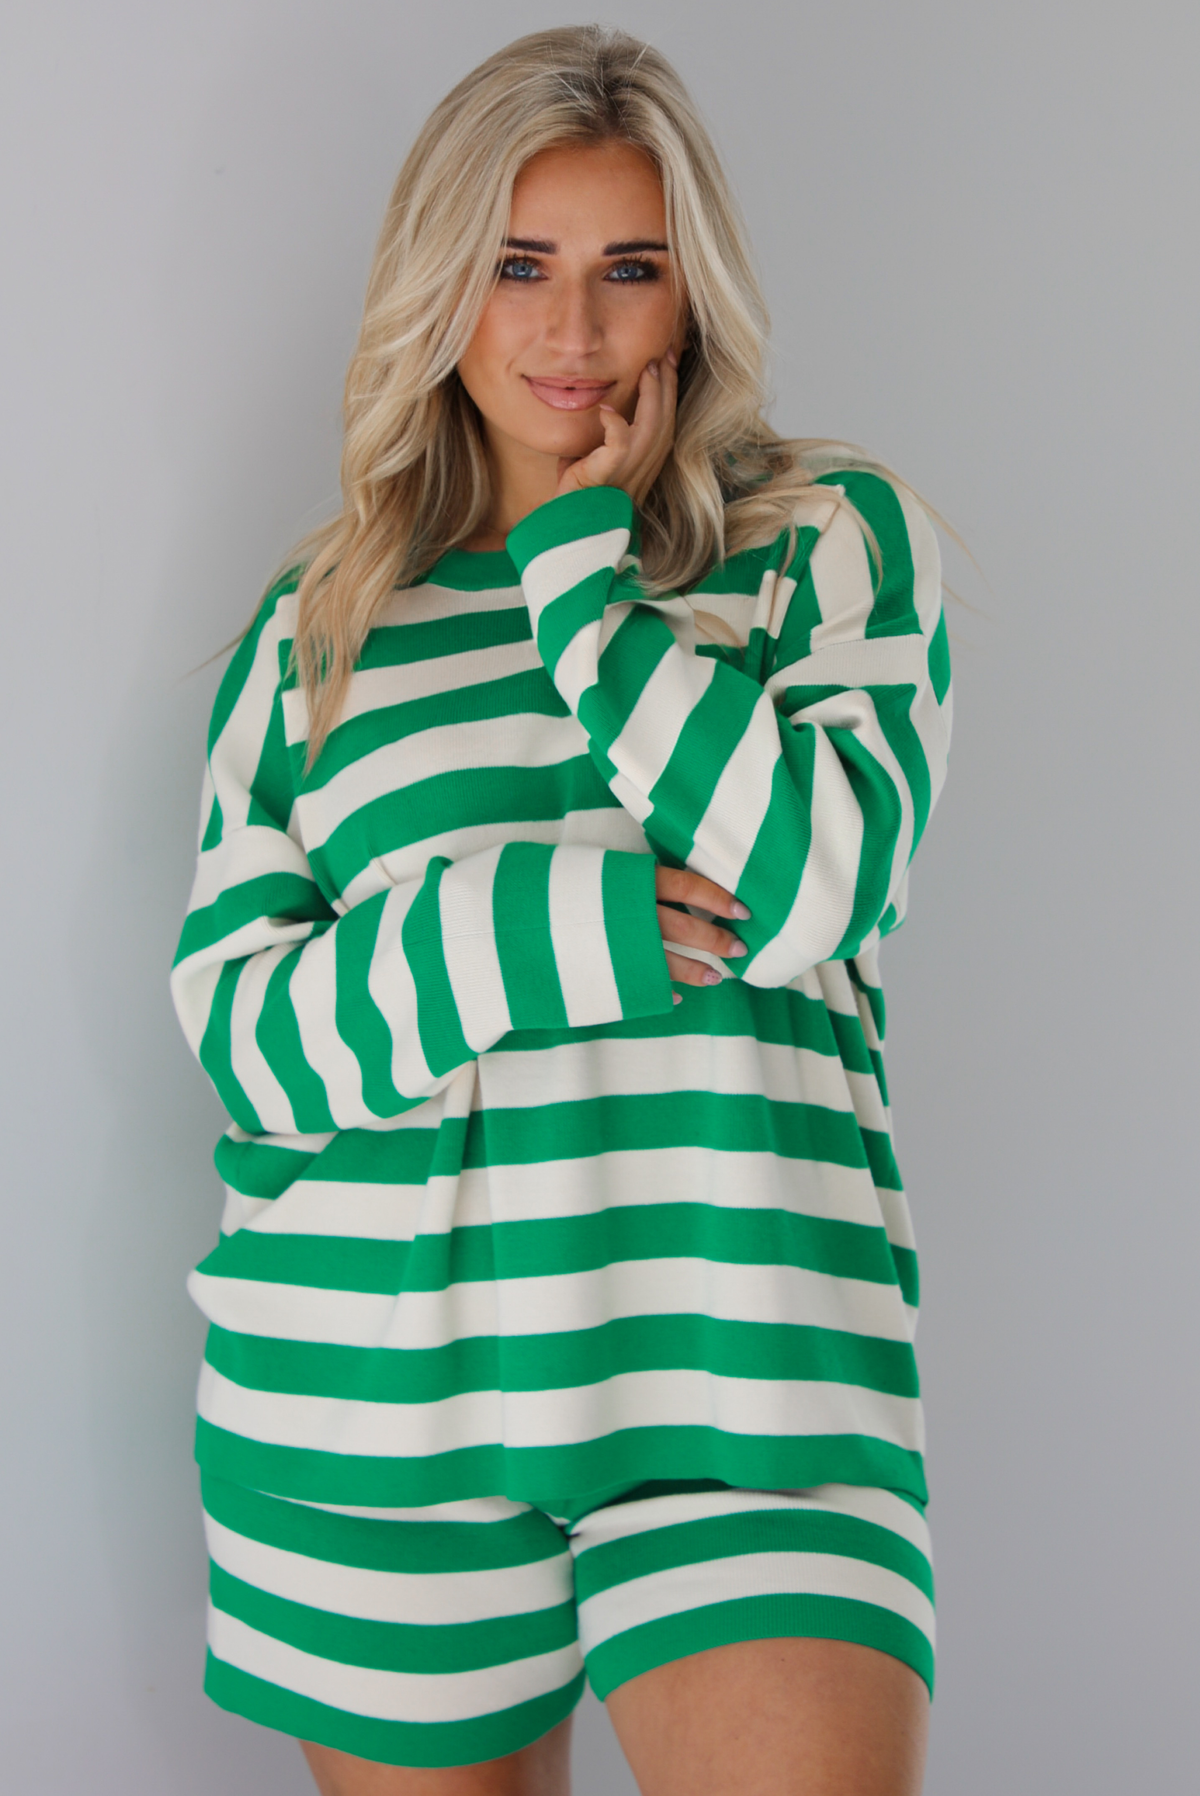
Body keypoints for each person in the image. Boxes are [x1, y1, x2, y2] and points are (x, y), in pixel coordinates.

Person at [171, 25, 951, 1796]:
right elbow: (252, 1045)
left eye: (629, 269)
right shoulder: (320, 630)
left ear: (694, 295)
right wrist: (548, 924)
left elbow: (821, 881)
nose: (574, 331)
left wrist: (584, 594)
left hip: (749, 1374)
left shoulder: (820, 544)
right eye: (519, 266)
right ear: (442, 286)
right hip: (372, 1403)